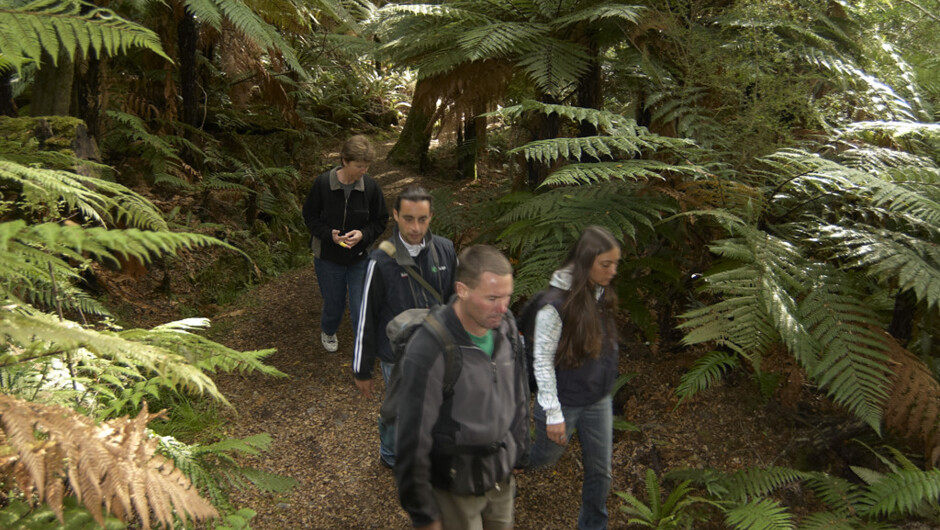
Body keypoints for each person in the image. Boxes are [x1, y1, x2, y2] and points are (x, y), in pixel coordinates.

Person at [395, 245, 529, 530]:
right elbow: (411, 438)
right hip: (455, 484)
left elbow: (517, 392)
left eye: (507, 296)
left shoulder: (505, 328)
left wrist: (519, 449)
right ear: (462, 289)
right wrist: (424, 513)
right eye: (492, 298)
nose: (503, 308)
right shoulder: (430, 347)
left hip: (500, 478)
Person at [353, 184, 458, 468]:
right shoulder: (380, 260)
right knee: (398, 408)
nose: (415, 226)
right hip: (396, 356)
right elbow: (366, 315)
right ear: (396, 216)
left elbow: (455, 301)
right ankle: (390, 453)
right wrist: (362, 369)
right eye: (409, 218)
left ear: (431, 217)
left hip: (438, 349)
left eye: (422, 219)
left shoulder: (445, 250)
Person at [528, 226, 622, 530]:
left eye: (615, 264)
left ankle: (594, 525)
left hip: (597, 399)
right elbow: (541, 361)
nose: (612, 271)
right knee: (543, 458)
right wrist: (553, 413)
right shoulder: (554, 304)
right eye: (605, 264)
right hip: (563, 402)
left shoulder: (600, 291)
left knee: (601, 471)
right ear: (585, 262)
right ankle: (504, 467)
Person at [302, 135, 389, 353]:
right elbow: (310, 216)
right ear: (344, 161)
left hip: (360, 257)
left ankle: (363, 341)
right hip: (328, 258)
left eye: (366, 166)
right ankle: (328, 330)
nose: (363, 171)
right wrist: (328, 234)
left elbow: (380, 220)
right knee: (334, 304)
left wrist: (363, 234)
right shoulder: (323, 184)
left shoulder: (370, 188)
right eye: (359, 166)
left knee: (361, 305)